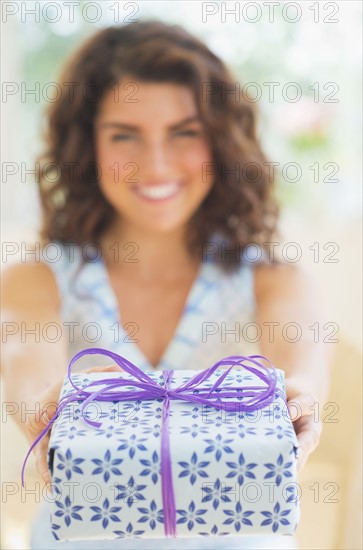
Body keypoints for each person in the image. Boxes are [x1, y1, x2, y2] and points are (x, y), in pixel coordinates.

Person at [1, 20, 331, 550]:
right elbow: (25, 364)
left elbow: (302, 372)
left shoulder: (274, 281)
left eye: (184, 132)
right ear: (87, 145)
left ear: (219, 141)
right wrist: (43, 407)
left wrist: (300, 404)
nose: (155, 164)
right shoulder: (34, 280)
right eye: (124, 135)